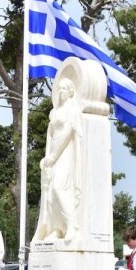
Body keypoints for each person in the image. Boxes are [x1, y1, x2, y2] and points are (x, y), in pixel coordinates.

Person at [33, 77, 82, 242]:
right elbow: (51, 136)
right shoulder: (54, 112)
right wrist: (48, 157)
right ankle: (58, 229)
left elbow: (67, 132)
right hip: (52, 155)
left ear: (70, 92)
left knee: (59, 188)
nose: (60, 91)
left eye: (64, 88)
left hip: (65, 154)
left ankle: (72, 225)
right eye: (58, 88)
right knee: (50, 194)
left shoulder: (72, 109)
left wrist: (53, 157)